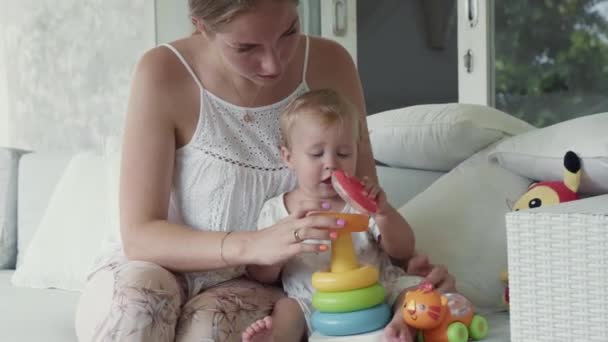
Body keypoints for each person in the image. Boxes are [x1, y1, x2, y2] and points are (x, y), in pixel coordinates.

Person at [74, 1, 455, 341]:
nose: (274, 63)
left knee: (210, 329)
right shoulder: (163, 71)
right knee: (138, 310)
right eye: (246, 47)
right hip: (157, 264)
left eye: (289, 31)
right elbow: (140, 237)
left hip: (259, 282)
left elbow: (361, 199)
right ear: (202, 27)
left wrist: (412, 274)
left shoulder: (330, 64)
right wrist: (254, 244)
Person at [242, 89, 421, 342]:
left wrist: (383, 213)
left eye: (344, 153)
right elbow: (260, 273)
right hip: (314, 301)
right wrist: (283, 251)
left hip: (377, 293)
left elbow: (403, 249)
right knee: (287, 309)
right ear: (288, 157)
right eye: (316, 154)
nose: (331, 163)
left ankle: (401, 326)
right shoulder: (277, 210)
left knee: (413, 290)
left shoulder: (364, 203)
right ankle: (276, 336)